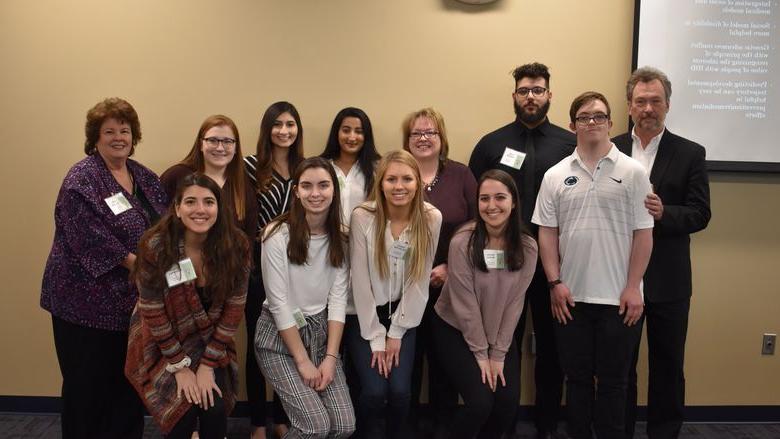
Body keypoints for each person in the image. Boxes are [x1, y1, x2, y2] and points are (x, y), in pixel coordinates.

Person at [40, 97, 167, 439]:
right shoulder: (81, 179)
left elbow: (166, 225)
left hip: (130, 307)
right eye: (108, 131)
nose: (118, 137)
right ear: (94, 138)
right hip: (82, 306)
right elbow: (86, 235)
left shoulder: (145, 177)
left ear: (133, 135)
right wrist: (135, 263)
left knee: (128, 387)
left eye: (124, 130)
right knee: (87, 392)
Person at [533, 91, 654, 439]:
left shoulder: (633, 173)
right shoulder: (555, 175)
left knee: (615, 384)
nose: (592, 122)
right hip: (571, 299)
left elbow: (644, 235)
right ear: (572, 125)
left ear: (611, 123)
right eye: (584, 117)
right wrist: (555, 283)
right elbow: (547, 234)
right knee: (578, 382)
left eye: (599, 116)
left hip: (621, 299)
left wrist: (634, 287)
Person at [468, 62, 575, 439]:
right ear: (514, 96)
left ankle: (546, 426)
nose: (531, 97)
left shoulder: (569, 144)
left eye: (538, 90)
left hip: (552, 266)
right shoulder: (491, 144)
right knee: (503, 343)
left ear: (549, 95)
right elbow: (474, 204)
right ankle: (501, 425)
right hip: (501, 265)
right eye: (525, 91)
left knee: (551, 348)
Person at [613, 67, 711, 439]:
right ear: (629, 106)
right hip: (619, 276)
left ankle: (664, 432)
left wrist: (663, 212)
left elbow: (701, 214)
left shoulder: (690, 153)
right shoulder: (611, 148)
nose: (648, 108)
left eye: (655, 101)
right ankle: (618, 431)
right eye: (641, 101)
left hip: (669, 281)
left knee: (668, 365)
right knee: (620, 365)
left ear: (668, 105)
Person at [125, 173, 250, 438]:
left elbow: (233, 311)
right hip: (161, 342)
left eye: (209, 202)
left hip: (212, 343)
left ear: (219, 208)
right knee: (181, 414)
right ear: (178, 209)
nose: (200, 210)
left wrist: (207, 365)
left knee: (213, 408)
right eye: (191, 202)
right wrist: (180, 367)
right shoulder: (155, 246)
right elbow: (152, 312)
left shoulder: (237, 246)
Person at [254, 157, 356, 438]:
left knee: (344, 427)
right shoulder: (276, 234)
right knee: (315, 426)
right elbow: (279, 304)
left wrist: (330, 358)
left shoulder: (342, 239)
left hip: (321, 335)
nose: (315, 193)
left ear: (334, 190)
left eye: (323, 185)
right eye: (307, 186)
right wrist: (302, 361)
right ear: (296, 191)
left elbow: (337, 302)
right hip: (278, 337)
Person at [433, 169, 537, 439]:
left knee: (506, 404)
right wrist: (482, 355)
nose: (492, 206)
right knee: (480, 403)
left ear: (513, 202)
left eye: (500, 198)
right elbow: (465, 306)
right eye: (484, 198)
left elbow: (516, 302)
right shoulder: (463, 242)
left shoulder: (527, 246)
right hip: (455, 328)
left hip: (499, 330)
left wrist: (498, 354)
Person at [346, 150, 442, 438]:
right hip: (365, 315)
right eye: (391, 179)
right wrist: (376, 337)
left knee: (400, 392)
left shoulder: (431, 217)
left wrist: (396, 332)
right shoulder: (363, 216)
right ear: (381, 183)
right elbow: (360, 282)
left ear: (418, 183)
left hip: (405, 314)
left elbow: (419, 280)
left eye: (406, 179)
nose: (399, 186)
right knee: (375, 392)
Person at [402, 107, 476, 435]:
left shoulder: (461, 175)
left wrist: (452, 267)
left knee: (445, 365)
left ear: (441, 138)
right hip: (403, 287)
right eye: (416, 133)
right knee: (409, 364)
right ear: (406, 140)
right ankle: (408, 426)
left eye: (430, 132)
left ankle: (442, 428)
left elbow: (479, 227)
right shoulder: (397, 175)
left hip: (451, 287)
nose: (423, 138)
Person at [244, 101, 304, 438]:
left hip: (295, 271)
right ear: (268, 129)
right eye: (277, 124)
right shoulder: (250, 168)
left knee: (288, 343)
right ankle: (256, 422)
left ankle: (283, 418)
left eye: (290, 124)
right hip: (256, 271)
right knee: (257, 347)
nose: (284, 130)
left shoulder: (306, 168)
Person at [160, 114, 258, 239]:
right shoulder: (177, 176)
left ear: (236, 148)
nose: (220, 148)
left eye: (227, 141)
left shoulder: (242, 185)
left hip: (229, 257)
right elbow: (156, 223)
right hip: (179, 256)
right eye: (213, 140)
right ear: (201, 144)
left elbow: (248, 237)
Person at [319, 107, 382, 223]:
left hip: (366, 237)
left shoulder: (378, 168)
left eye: (359, 131)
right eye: (346, 130)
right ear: (336, 133)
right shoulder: (322, 167)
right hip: (329, 237)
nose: (352, 137)